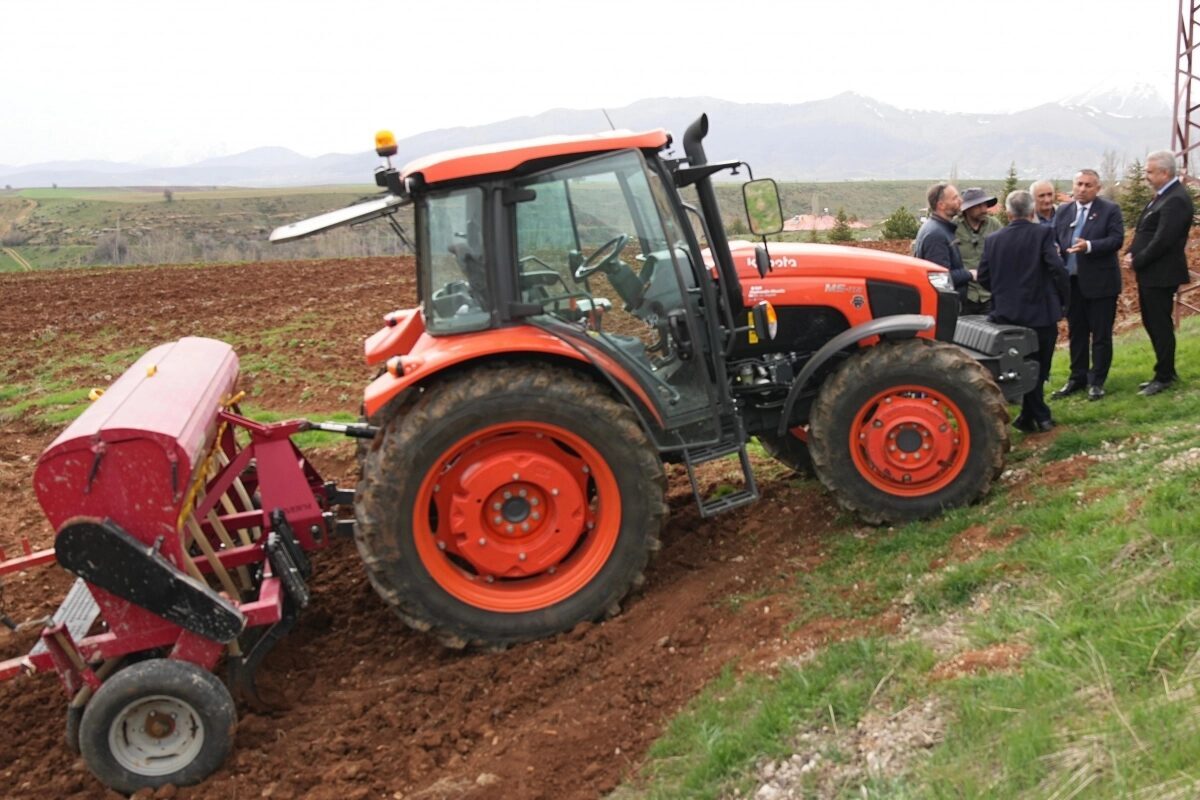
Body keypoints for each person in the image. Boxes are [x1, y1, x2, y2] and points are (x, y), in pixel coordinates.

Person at [978, 190, 1068, 433]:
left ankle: (1027, 417)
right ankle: (1042, 416)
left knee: (1022, 365)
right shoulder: (1043, 233)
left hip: (1006, 314)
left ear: (1008, 214)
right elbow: (1057, 268)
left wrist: (1004, 291)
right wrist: (1063, 298)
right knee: (1039, 365)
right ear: (1032, 212)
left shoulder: (993, 240)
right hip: (1041, 313)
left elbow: (984, 277)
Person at [1122, 150, 1195, 396]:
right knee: (1152, 322)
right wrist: (1131, 252)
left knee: (1159, 324)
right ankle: (1164, 371)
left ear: (1165, 172)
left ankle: (1164, 376)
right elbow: (1145, 229)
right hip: (1150, 272)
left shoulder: (1175, 199)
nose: (1146, 176)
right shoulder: (1161, 196)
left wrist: (1138, 260)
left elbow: (1164, 239)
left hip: (1161, 273)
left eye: (1150, 172)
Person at [1051, 169, 1125, 401]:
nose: (1082, 189)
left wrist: (1090, 246)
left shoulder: (1109, 210)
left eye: (1088, 185)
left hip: (1101, 283)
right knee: (1077, 332)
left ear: (1097, 188)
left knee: (1101, 334)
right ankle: (1077, 377)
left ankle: (1097, 381)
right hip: (1072, 283)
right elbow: (1055, 237)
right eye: (1079, 184)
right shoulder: (1063, 211)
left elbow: (1116, 240)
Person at [913, 183, 971, 300]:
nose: (960, 200)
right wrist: (969, 274)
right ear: (941, 205)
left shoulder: (938, 229)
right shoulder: (936, 234)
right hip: (942, 307)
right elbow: (939, 278)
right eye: (955, 198)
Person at [955, 187, 1002, 314]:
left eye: (985, 205)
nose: (984, 209)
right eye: (978, 206)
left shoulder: (994, 225)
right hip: (964, 294)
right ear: (967, 209)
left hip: (989, 294)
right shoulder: (953, 227)